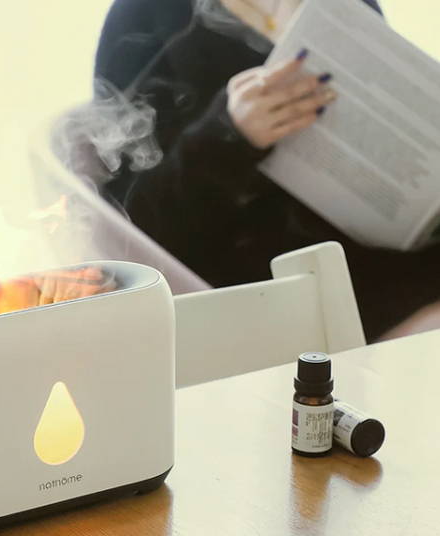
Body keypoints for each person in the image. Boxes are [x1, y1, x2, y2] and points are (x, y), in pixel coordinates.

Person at [94, 0, 440, 342]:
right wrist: (229, 132)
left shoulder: (350, 6)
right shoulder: (148, 14)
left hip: (368, 254)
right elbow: (134, 226)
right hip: (256, 282)